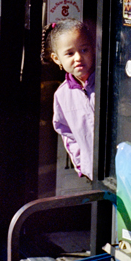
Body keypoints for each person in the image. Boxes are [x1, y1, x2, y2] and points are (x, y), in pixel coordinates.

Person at [41, 19, 95, 180]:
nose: (78, 57)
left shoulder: (107, 83)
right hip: (93, 173)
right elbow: (67, 133)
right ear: (57, 59)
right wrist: (82, 164)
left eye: (84, 50)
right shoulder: (62, 95)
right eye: (70, 53)